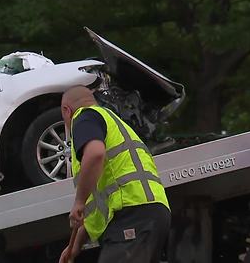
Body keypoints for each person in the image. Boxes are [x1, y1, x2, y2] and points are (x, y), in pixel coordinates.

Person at [59, 86, 171, 263]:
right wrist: (76, 245)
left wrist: (79, 201)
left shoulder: (84, 116)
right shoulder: (111, 122)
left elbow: (95, 153)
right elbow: (99, 205)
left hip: (132, 214)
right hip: (146, 212)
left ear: (66, 110)